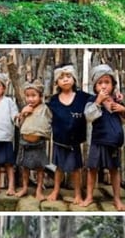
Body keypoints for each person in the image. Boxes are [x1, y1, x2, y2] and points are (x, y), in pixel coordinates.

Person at [80, 64, 125, 211]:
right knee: (92, 169)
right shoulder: (92, 101)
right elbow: (89, 116)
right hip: (98, 141)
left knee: (114, 169)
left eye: (107, 82)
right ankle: (89, 197)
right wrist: (98, 102)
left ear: (113, 85)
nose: (104, 86)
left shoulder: (117, 101)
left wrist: (124, 109)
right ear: (95, 87)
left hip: (113, 143)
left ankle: (117, 199)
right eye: (100, 83)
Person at [46, 64, 91, 204]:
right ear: (56, 82)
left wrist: (116, 97)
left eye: (68, 76)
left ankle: (78, 193)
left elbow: (99, 100)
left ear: (74, 79)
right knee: (59, 167)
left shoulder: (83, 97)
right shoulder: (53, 100)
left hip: (75, 141)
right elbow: (44, 113)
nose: (65, 80)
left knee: (76, 169)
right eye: (61, 77)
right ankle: (56, 190)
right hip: (59, 140)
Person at [14, 80, 52, 200]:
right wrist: (22, 114)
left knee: (40, 168)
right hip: (25, 143)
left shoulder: (44, 109)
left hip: (38, 143)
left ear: (40, 96)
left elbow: (49, 122)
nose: (30, 99)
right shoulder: (25, 109)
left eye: (34, 95)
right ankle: (25, 188)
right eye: (28, 96)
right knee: (25, 167)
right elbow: (19, 125)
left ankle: (39, 190)